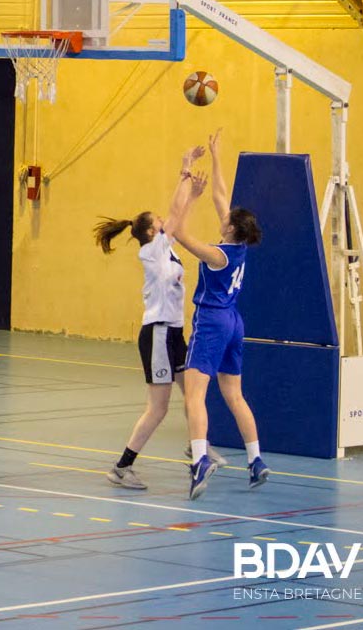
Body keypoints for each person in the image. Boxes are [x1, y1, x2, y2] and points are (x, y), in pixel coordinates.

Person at [94, 146, 226, 491]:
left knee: (193, 393)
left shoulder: (167, 249)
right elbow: (176, 212)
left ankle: (198, 448)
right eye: (160, 223)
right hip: (157, 334)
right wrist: (188, 178)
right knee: (158, 408)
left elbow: (176, 215)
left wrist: (189, 180)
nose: (165, 223)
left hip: (175, 335)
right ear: (153, 232)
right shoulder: (151, 249)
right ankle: (122, 467)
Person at [175, 129, 268, 499]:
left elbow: (178, 233)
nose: (223, 214)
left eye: (227, 216)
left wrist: (190, 196)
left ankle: (200, 460)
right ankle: (256, 460)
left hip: (212, 322)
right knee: (235, 395)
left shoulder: (218, 254)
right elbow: (221, 192)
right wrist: (215, 155)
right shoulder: (240, 246)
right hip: (234, 322)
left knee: (194, 396)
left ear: (230, 228)